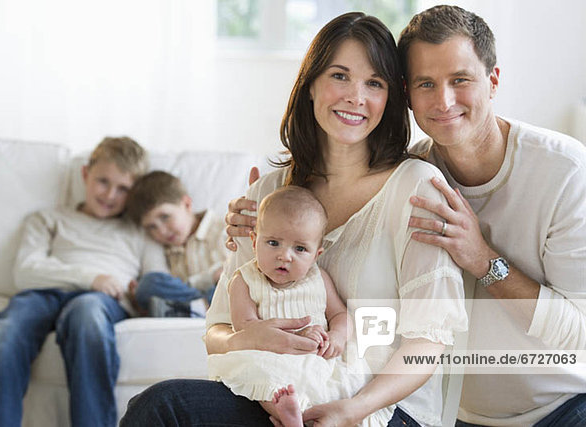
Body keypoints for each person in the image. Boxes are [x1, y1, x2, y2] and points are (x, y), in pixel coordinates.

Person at [121, 12, 467, 426]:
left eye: (374, 83)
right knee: (159, 406)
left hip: (379, 407)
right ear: (311, 85)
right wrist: (247, 337)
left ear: (391, 98)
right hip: (281, 394)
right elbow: (216, 332)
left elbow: (428, 342)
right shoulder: (267, 194)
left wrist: (350, 410)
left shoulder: (416, 187)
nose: (356, 96)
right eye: (340, 76)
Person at [395, 5, 586, 426]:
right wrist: (260, 224)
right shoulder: (407, 177)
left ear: (493, 81)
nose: (443, 101)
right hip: (456, 415)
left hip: (565, 408)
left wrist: (481, 258)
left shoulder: (566, 170)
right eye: (426, 83)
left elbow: (581, 331)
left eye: (460, 80)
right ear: (407, 94)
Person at [0, 137, 168, 427]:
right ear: (85, 174)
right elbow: (26, 270)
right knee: (5, 328)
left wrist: (140, 298)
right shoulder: (49, 219)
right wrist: (90, 278)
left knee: (87, 315)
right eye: (103, 181)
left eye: (123, 188)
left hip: (100, 302)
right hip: (44, 293)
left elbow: (158, 281)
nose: (110, 194)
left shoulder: (140, 231)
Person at [209, 185, 391, 426]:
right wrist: (291, 335)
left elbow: (339, 314)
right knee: (257, 371)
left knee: (346, 381)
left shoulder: (318, 279)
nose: (285, 256)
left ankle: (311, 414)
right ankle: (286, 412)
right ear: (254, 241)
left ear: (316, 254)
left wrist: (336, 337)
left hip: (316, 358)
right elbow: (245, 327)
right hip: (269, 356)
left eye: (300, 248)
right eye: (273, 243)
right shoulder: (244, 280)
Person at [125, 171, 227, 317]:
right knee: (148, 284)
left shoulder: (224, 229)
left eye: (165, 217)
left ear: (186, 204)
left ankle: (199, 307)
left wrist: (208, 280)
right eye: (151, 227)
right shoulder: (165, 250)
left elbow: (228, 272)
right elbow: (171, 287)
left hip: (222, 293)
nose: (162, 231)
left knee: (229, 282)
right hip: (192, 298)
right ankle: (199, 308)